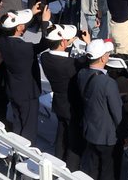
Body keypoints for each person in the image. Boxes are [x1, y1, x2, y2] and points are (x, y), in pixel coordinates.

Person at [0, 8, 46, 145]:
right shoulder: (25, 48)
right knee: (28, 130)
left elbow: (11, 27)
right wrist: (45, 22)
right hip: (27, 93)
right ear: (19, 28)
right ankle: (25, 155)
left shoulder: (2, 39)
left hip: (12, 88)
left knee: (18, 122)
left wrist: (31, 13)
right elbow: (44, 43)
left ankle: (15, 150)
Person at [39, 23, 84, 169]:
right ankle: (70, 172)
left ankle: (57, 167)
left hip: (59, 104)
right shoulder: (71, 65)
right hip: (73, 107)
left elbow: (60, 54)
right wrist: (89, 43)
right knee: (74, 143)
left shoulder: (45, 57)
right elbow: (87, 62)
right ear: (63, 42)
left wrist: (68, 41)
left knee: (61, 137)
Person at [78, 38, 124, 180]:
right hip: (106, 136)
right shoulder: (108, 82)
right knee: (107, 172)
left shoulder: (81, 73)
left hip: (90, 130)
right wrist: (125, 134)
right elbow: (117, 113)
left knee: (94, 167)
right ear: (103, 58)